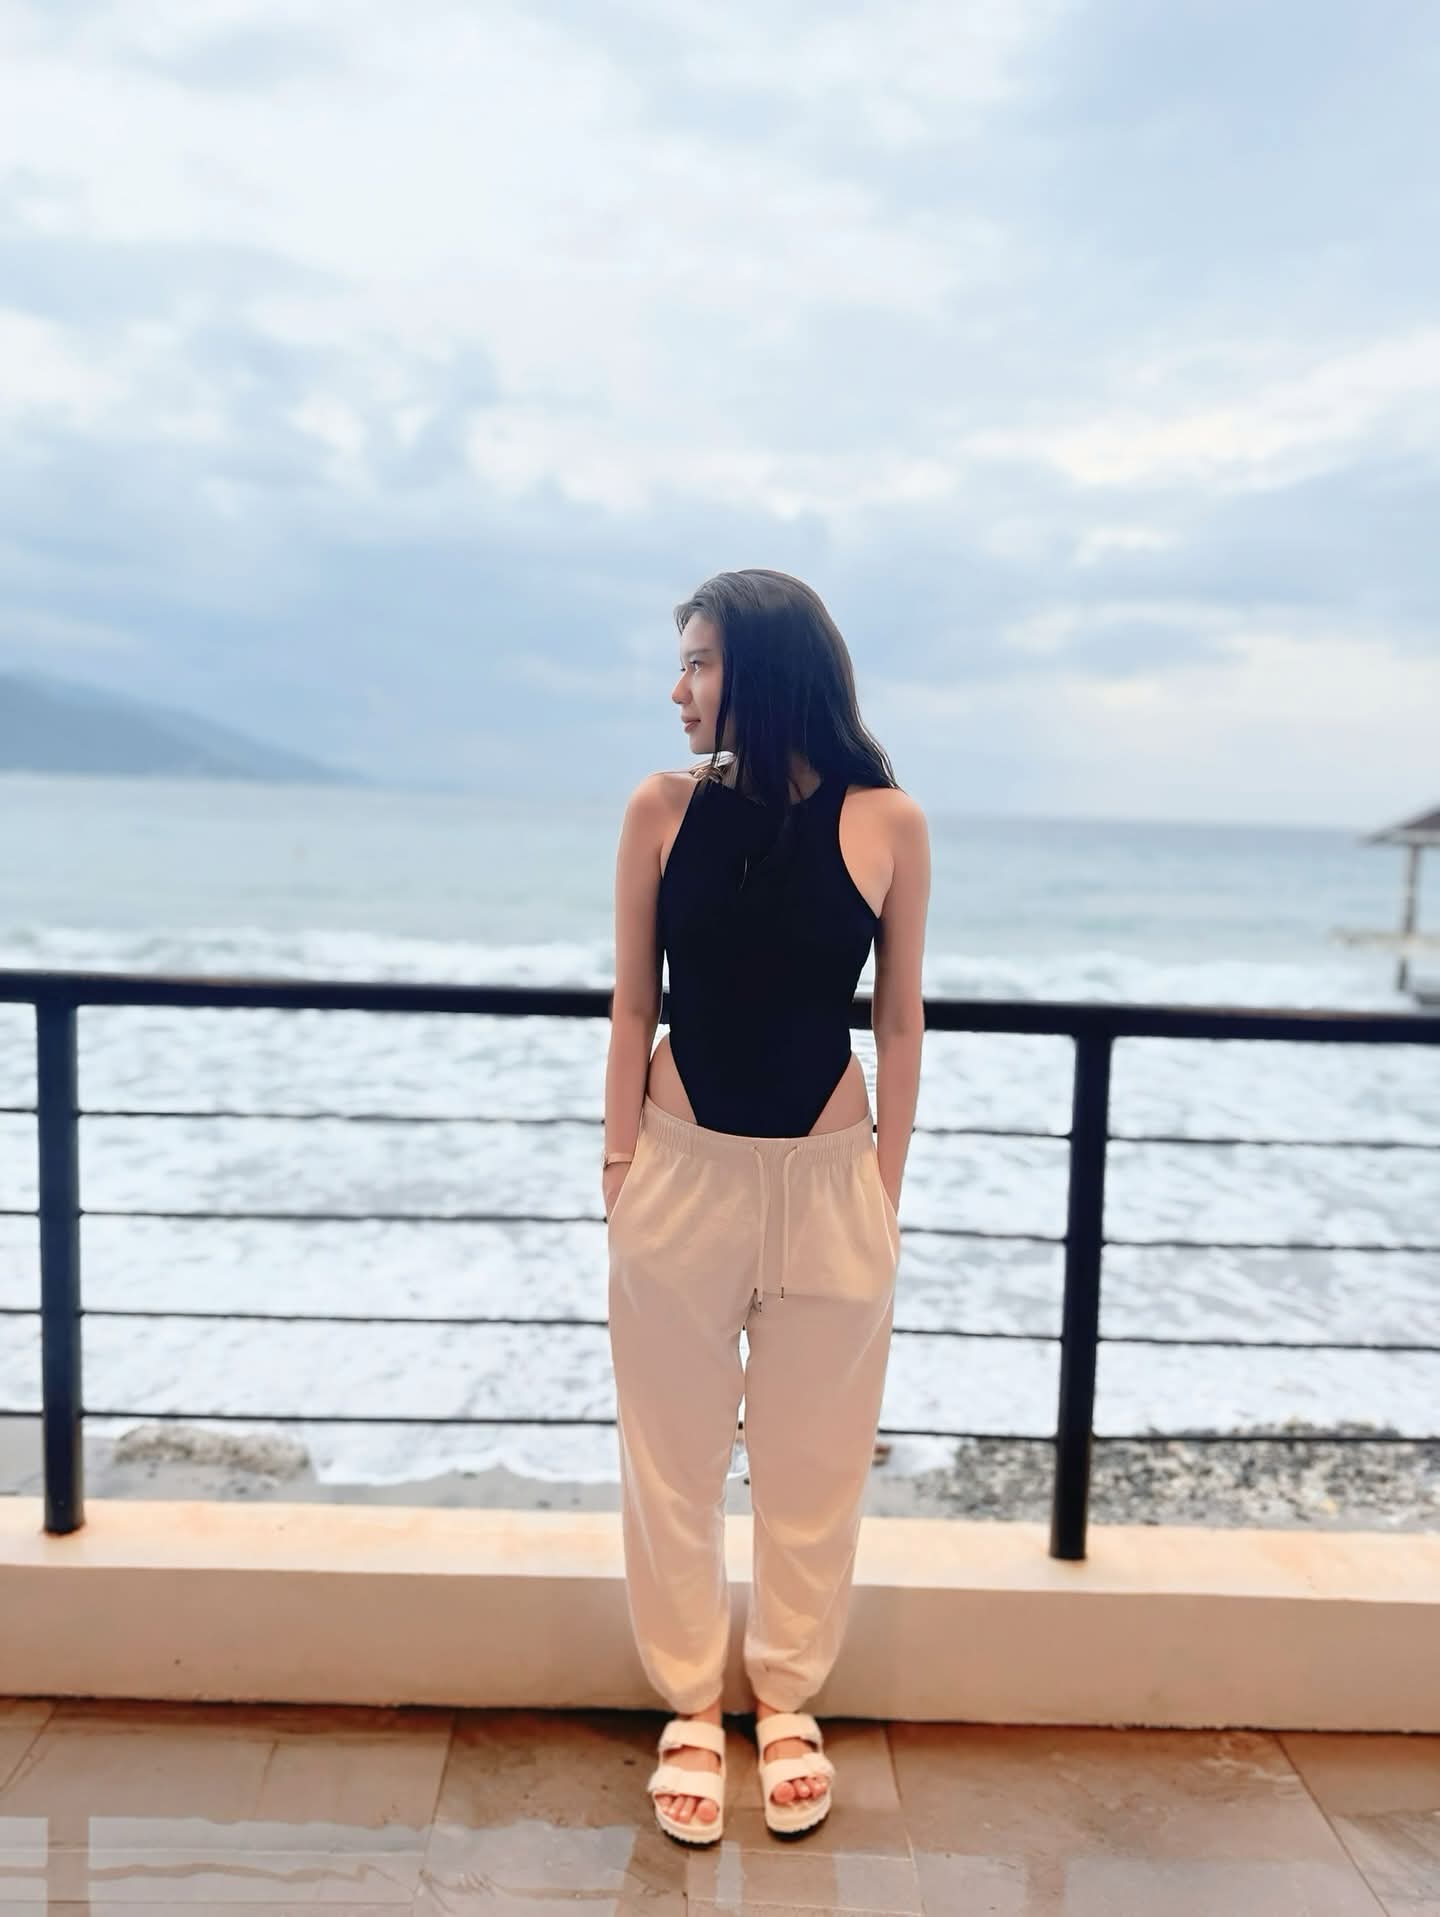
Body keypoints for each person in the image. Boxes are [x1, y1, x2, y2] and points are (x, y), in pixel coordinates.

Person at [602, 567, 930, 1844]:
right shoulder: (659, 809)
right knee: (671, 1464)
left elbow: (897, 1020)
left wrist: (884, 1188)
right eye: (680, 663)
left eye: (698, 661)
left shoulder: (890, 822)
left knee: (815, 1467)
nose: (676, 689)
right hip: (679, 1173)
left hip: (833, 1184)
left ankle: (786, 1698)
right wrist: (619, 1170)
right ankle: (692, 1703)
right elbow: (635, 1002)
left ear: (767, 669)